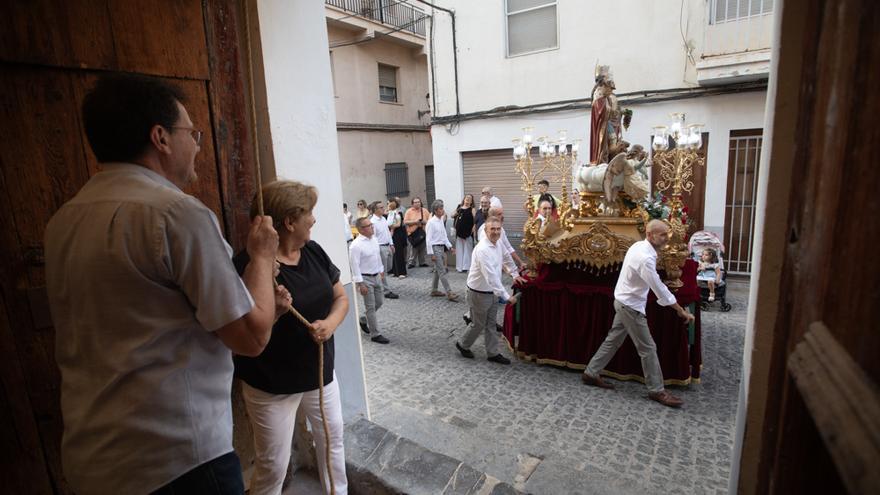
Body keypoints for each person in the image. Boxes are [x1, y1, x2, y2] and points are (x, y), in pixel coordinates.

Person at [44, 74, 280, 494]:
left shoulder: (65, 218)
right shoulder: (176, 214)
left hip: (93, 458)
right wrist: (261, 256)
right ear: (161, 138)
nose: (198, 145)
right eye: (192, 133)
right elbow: (251, 336)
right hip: (177, 461)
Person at [233, 180, 349, 495]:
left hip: (319, 373)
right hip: (271, 384)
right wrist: (276, 312)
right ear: (289, 221)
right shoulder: (249, 266)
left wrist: (330, 324)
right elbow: (241, 331)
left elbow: (342, 299)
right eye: (308, 213)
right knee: (273, 465)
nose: (314, 219)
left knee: (333, 443)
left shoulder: (313, 251)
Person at [581, 220, 695, 408]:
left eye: (667, 234)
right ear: (650, 235)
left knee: (613, 340)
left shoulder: (639, 246)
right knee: (648, 348)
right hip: (630, 306)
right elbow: (658, 288)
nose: (667, 238)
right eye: (662, 235)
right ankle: (657, 390)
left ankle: (591, 372)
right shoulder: (645, 257)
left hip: (624, 301)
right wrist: (681, 311)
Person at [456, 217, 525, 364]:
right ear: (486, 231)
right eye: (492, 229)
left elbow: (506, 258)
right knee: (478, 324)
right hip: (478, 293)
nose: (495, 232)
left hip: (491, 292)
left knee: (491, 324)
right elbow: (491, 277)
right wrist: (507, 297)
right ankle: (462, 344)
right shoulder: (482, 249)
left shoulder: (498, 242)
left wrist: (515, 274)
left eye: (498, 229)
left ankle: (492, 353)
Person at [350, 217, 391, 344]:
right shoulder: (355, 245)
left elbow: (377, 256)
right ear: (361, 229)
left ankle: (363, 318)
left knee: (379, 302)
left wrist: (381, 269)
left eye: (371, 225)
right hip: (365, 278)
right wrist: (360, 283)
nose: (372, 227)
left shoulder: (374, 240)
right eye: (369, 226)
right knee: (371, 307)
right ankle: (375, 334)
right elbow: (354, 265)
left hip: (377, 276)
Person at [426, 200, 460, 301]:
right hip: (435, 248)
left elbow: (444, 236)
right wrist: (431, 253)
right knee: (442, 271)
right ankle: (449, 292)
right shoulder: (431, 223)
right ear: (436, 211)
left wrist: (450, 247)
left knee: (438, 270)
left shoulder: (440, 220)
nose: (443, 210)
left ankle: (434, 290)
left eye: (442, 208)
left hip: (441, 247)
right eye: (441, 209)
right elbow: (428, 239)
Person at [370, 201, 399, 299]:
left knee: (389, 267)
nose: (384, 208)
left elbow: (387, 232)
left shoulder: (383, 219)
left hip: (388, 246)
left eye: (383, 207)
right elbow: (373, 238)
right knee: (383, 270)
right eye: (381, 207)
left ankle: (377, 285)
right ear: (375, 210)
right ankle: (386, 291)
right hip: (380, 247)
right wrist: (376, 250)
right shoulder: (373, 222)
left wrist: (391, 244)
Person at [404, 197, 430, 268]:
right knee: (414, 247)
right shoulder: (409, 211)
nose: (417, 203)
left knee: (422, 247)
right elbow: (405, 222)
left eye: (418, 202)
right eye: (415, 202)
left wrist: (425, 222)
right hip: (413, 233)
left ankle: (422, 262)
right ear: (412, 204)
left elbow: (430, 221)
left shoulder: (424, 210)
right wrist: (415, 222)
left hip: (423, 232)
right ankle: (411, 262)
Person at [452, 194, 476, 272]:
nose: (468, 199)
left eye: (470, 198)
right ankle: (459, 267)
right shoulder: (459, 207)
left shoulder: (472, 209)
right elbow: (452, 215)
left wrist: (474, 228)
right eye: (467, 198)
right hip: (459, 233)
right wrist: (456, 212)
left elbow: (475, 220)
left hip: (468, 232)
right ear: (464, 199)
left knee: (468, 250)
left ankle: (466, 267)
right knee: (459, 250)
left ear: (472, 201)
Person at [387, 197, 408, 278]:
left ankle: (402, 272)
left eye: (389, 203)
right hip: (392, 233)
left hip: (398, 234)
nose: (388, 205)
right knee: (394, 253)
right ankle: (396, 271)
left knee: (399, 252)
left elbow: (398, 224)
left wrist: (390, 226)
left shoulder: (398, 213)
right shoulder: (390, 213)